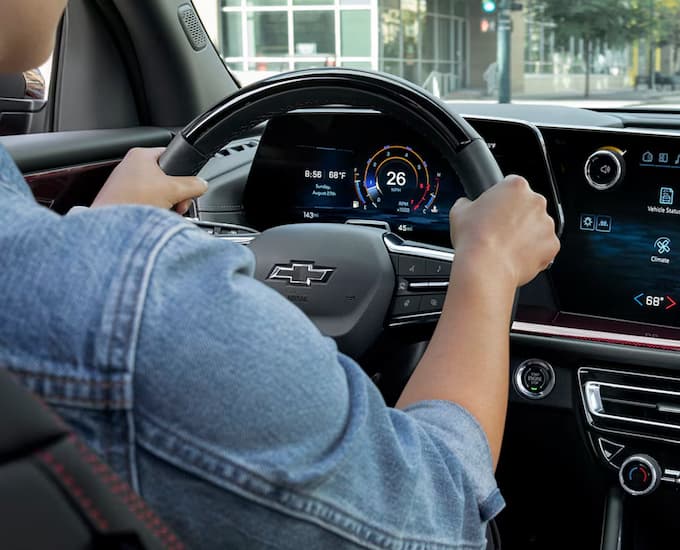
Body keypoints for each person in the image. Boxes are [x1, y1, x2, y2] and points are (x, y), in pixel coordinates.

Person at [0, 1, 560, 548]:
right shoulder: (139, 304)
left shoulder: (79, 281)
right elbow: (442, 509)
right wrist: (486, 265)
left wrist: (104, 233)